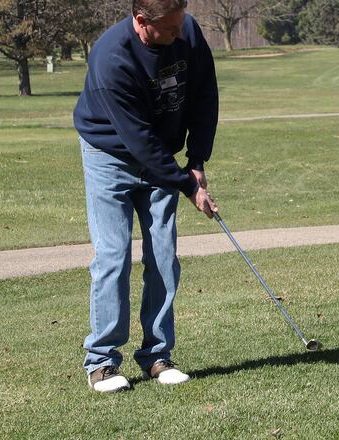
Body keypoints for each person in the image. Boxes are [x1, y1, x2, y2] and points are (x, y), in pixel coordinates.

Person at [73, 0, 219, 393]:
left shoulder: (186, 32)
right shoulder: (110, 60)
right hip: (110, 156)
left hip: (160, 157)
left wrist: (197, 160)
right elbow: (139, 141)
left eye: (180, 26)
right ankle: (101, 362)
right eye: (169, 30)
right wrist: (186, 185)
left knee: (163, 258)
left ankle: (156, 355)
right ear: (141, 21)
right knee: (113, 256)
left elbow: (205, 94)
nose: (177, 36)